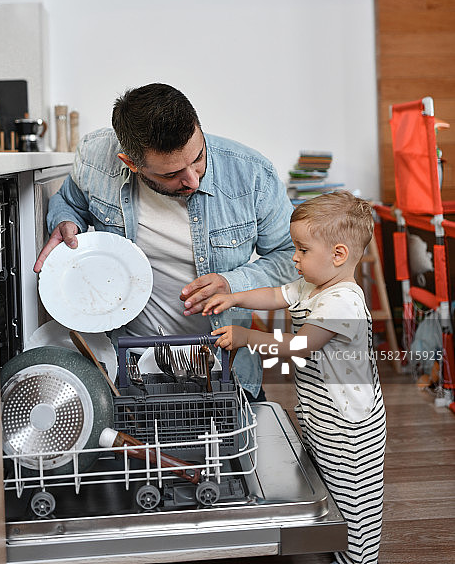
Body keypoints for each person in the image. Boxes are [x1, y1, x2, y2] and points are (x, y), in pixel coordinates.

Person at [34, 83, 297, 398]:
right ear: (130, 163)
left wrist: (233, 283)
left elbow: (291, 257)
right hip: (128, 370)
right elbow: (70, 201)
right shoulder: (95, 158)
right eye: (172, 174)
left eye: (198, 157)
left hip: (225, 370)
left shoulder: (253, 175)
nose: (193, 179)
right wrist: (66, 221)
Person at [202, 191, 386, 564]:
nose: (294, 258)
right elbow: (275, 294)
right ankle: (330, 550)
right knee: (327, 486)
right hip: (322, 414)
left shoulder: (343, 301)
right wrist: (234, 298)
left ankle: (356, 559)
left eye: (302, 250)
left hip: (349, 427)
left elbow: (301, 346)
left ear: (338, 255)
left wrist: (247, 337)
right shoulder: (313, 286)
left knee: (354, 502)